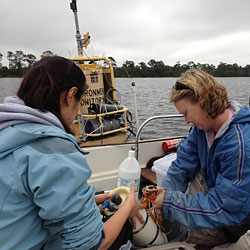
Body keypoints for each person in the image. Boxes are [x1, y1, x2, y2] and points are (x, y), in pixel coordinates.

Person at [0, 56, 143, 250]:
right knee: (123, 229)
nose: (77, 113)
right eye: (80, 102)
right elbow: (92, 245)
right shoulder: (52, 149)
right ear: (71, 94)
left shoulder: (9, 132)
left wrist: (90, 201)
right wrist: (128, 207)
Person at [153, 69, 250, 248]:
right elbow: (181, 165)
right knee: (194, 170)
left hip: (240, 214)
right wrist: (162, 195)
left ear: (202, 101)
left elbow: (226, 206)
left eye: (186, 113)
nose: (186, 121)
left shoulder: (240, 142)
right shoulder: (202, 130)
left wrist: (169, 203)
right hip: (223, 198)